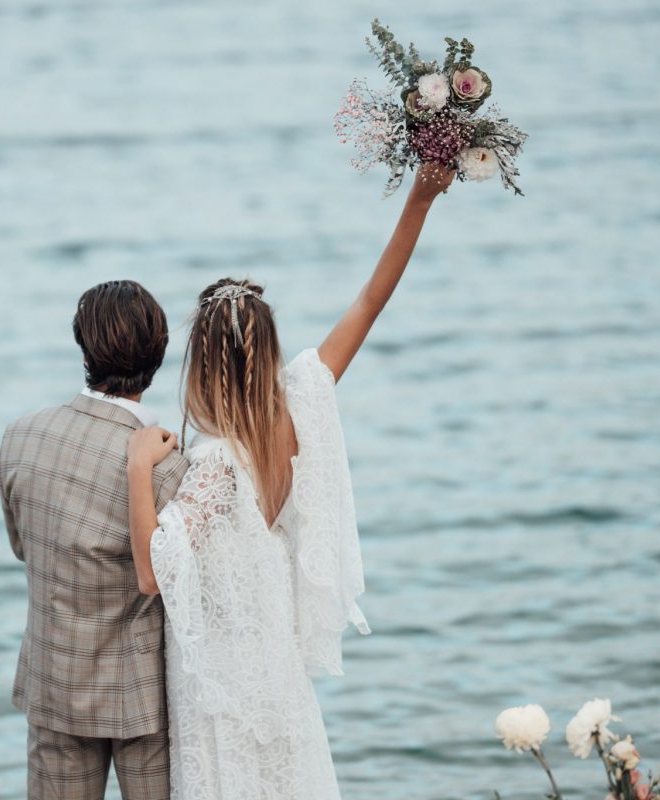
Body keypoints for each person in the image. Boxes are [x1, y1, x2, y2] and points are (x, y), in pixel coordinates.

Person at [125, 165, 455, 799]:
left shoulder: (216, 467)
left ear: (202, 367)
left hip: (224, 698)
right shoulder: (297, 411)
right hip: (278, 682)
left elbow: (149, 573)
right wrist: (420, 198)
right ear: (269, 351)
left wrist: (140, 467)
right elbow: (369, 302)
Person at [0, 280, 189, 800]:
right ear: (159, 355)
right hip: (142, 699)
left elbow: (23, 548)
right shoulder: (169, 469)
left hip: (54, 682)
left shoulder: (20, 437)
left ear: (83, 348)